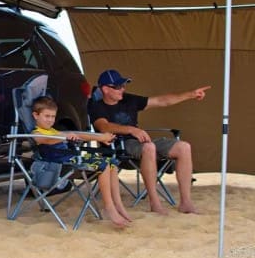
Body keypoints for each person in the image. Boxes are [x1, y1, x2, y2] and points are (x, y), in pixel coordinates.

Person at [88, 69, 210, 215]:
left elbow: (161, 101)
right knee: (149, 147)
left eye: (123, 86)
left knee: (183, 147)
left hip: (141, 141)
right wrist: (132, 130)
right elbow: (103, 126)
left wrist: (190, 94)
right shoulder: (96, 105)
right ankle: (154, 201)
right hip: (119, 146)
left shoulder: (128, 99)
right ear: (106, 89)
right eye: (118, 87)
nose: (123, 89)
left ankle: (186, 202)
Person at [29, 96, 132, 228]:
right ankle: (109, 207)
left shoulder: (53, 130)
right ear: (35, 115)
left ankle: (118, 204)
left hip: (70, 161)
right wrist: (66, 136)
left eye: (53, 116)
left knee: (111, 162)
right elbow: (46, 140)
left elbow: (79, 134)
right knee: (103, 164)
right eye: (46, 116)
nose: (50, 120)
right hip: (58, 167)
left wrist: (100, 137)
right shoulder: (36, 132)